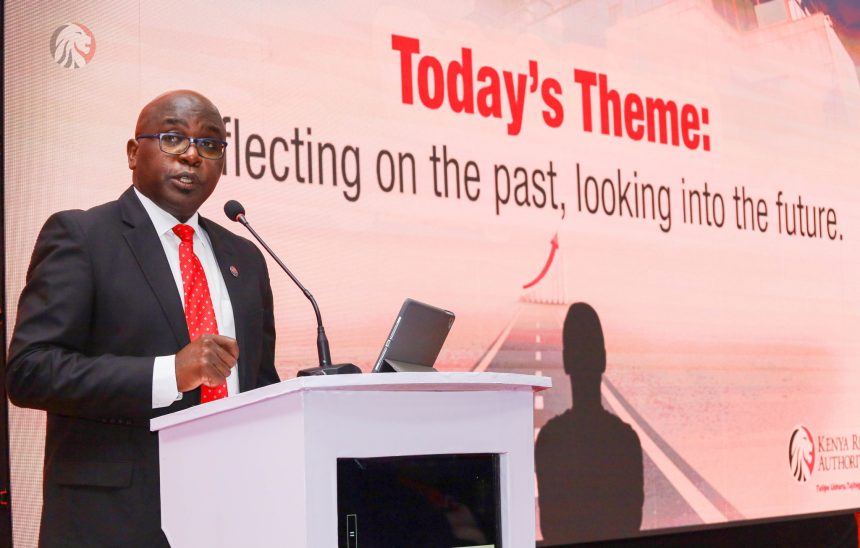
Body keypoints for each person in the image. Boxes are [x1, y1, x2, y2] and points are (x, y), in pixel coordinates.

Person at [6, 90, 281, 547]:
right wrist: (169, 373)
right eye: (173, 138)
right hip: (114, 520)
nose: (192, 156)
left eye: (210, 144)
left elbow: (258, 381)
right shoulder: (83, 236)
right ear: (134, 153)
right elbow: (30, 371)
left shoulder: (245, 257)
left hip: (229, 510)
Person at [535, 302, 643, 544]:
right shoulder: (626, 440)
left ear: (566, 362)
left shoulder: (550, 440)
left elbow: (550, 527)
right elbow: (632, 522)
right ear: (603, 360)